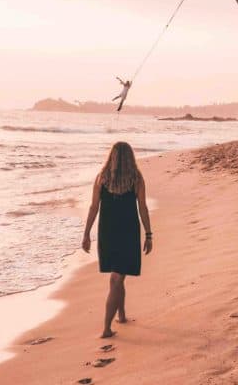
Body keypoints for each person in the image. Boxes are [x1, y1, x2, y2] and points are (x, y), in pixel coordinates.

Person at [82, 142, 153, 338]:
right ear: (130, 158)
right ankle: (106, 328)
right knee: (117, 278)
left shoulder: (102, 178)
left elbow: (93, 207)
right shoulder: (136, 179)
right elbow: (143, 209)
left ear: (111, 157)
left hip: (108, 234)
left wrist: (86, 234)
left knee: (117, 277)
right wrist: (148, 234)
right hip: (127, 233)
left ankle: (121, 315)